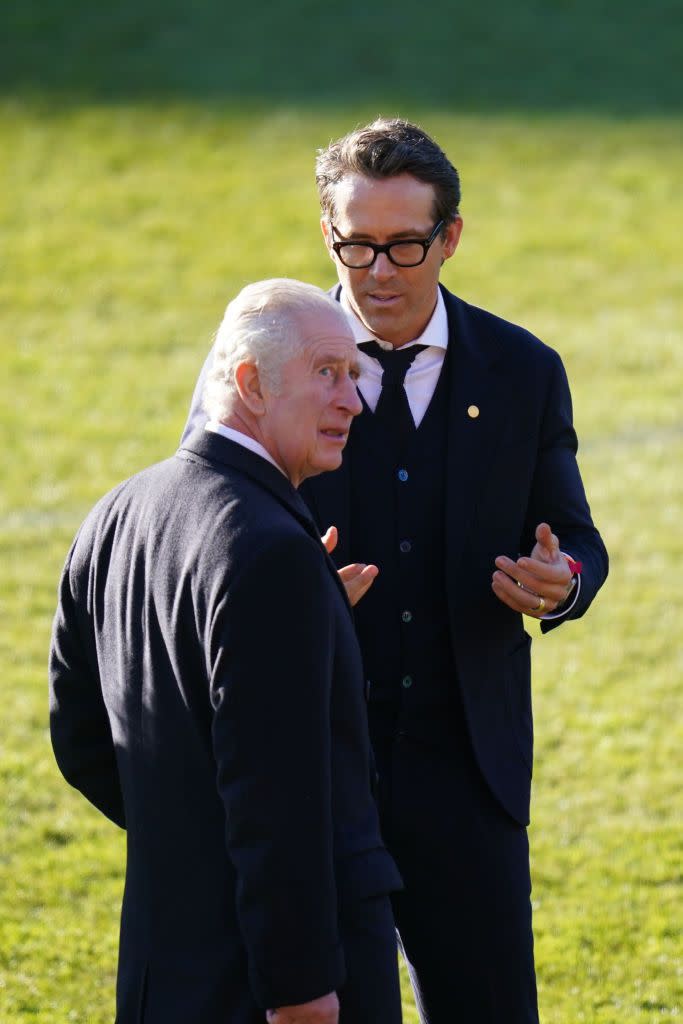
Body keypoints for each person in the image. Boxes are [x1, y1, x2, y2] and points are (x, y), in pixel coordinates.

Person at [183, 121, 609, 1024]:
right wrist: (289, 606)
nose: (377, 271)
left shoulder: (525, 370)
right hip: (318, 765)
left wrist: (561, 578)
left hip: (468, 772)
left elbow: (573, 533)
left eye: (405, 246)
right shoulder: (264, 362)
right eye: (355, 244)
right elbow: (208, 519)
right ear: (326, 231)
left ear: (450, 237)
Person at [49, 278, 404, 1024]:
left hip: (165, 961)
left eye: (353, 375)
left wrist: (187, 839)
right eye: (326, 374)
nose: (353, 401)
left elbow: (82, 743)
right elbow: (279, 800)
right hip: (270, 986)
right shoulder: (272, 553)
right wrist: (300, 990)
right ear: (248, 382)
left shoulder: (116, 513)